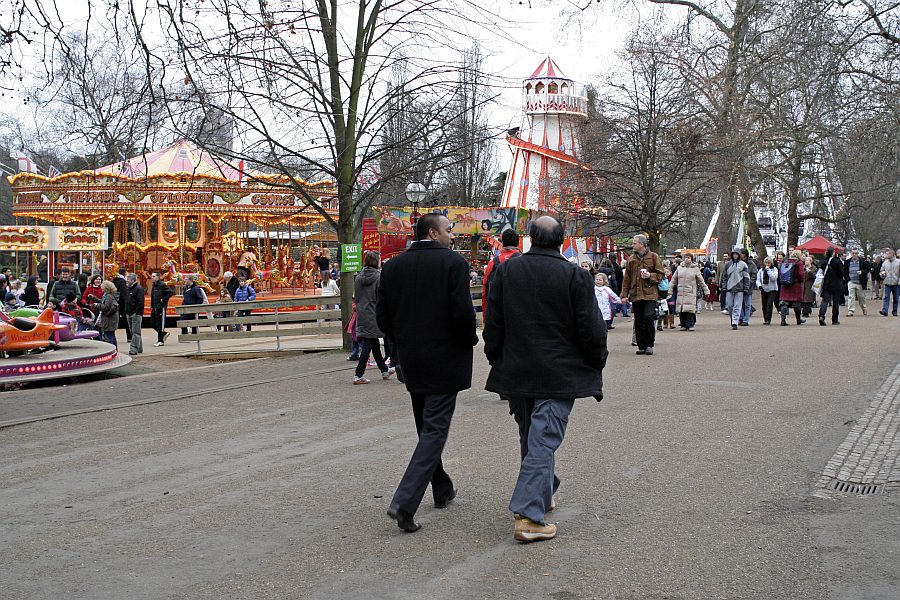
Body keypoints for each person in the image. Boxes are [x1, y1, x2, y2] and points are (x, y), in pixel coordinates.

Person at [483, 216, 607, 543]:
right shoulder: (575, 276)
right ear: (561, 241)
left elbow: (494, 322)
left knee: (533, 434)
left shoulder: (506, 272)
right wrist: (596, 362)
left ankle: (542, 492)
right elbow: (591, 328)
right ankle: (529, 514)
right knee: (543, 436)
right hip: (559, 371)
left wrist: (495, 357)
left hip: (519, 367)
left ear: (530, 238)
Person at [376, 213, 477, 533]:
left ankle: (442, 486)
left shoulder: (392, 267)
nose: (453, 235)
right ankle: (405, 501)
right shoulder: (453, 264)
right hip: (445, 358)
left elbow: (383, 317)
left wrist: (401, 343)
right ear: (433, 233)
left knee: (426, 427)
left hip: (411, 358)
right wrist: (469, 339)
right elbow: (463, 312)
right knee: (433, 430)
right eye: (449, 230)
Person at [352, 251, 395, 384]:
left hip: (362, 312)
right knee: (369, 343)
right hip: (374, 312)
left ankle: (384, 370)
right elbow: (382, 296)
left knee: (373, 341)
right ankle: (358, 374)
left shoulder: (358, 277)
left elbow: (357, 296)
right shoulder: (379, 277)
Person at [620, 234, 664, 355]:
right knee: (638, 320)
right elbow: (626, 279)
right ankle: (642, 345)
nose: (632, 245)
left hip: (650, 294)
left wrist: (650, 276)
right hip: (636, 294)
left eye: (634, 243)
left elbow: (661, 275)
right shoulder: (631, 259)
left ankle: (649, 344)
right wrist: (624, 295)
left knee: (648, 317)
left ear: (642, 244)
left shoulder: (653, 257)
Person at [481, 229, 521, 319]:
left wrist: (486, 316)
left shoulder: (493, 263)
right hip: (519, 316)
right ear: (518, 243)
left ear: (502, 243)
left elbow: (485, 290)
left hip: (498, 316)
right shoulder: (525, 262)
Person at [668, 252, 709, 331]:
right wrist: (670, 290)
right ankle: (683, 324)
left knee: (690, 309)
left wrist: (706, 290)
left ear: (691, 259)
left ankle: (690, 324)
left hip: (691, 292)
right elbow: (673, 280)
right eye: (686, 257)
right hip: (681, 292)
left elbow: (701, 281)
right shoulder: (679, 268)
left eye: (689, 257)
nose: (687, 259)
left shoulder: (695, 269)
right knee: (682, 309)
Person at [722, 246, 750, 330]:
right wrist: (724, 286)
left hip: (739, 288)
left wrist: (746, 288)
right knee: (730, 305)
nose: (735, 256)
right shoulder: (728, 265)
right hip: (729, 288)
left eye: (736, 254)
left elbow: (746, 277)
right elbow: (724, 277)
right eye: (733, 254)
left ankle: (735, 322)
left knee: (737, 306)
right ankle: (733, 319)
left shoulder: (743, 264)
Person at [778, 250, 807, 326]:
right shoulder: (799, 263)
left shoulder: (785, 261)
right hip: (795, 285)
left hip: (785, 285)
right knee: (797, 303)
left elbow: (781, 272)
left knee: (784, 303)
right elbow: (801, 274)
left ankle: (783, 320)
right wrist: (801, 280)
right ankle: (798, 319)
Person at [818, 247, 844, 326]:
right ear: (833, 253)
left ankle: (821, 316)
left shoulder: (824, 262)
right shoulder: (837, 261)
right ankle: (834, 320)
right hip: (836, 284)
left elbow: (820, 273)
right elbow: (841, 273)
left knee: (825, 301)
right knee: (836, 302)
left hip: (826, 284)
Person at [844, 248, 871, 317]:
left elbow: (868, 269)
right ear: (851, 254)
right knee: (851, 296)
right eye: (853, 253)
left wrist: (862, 272)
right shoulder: (848, 262)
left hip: (860, 282)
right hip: (851, 281)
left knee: (861, 297)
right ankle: (851, 311)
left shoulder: (863, 261)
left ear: (857, 254)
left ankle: (864, 307)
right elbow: (845, 271)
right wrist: (847, 279)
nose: (854, 255)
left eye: (856, 253)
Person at [150, 272, 173, 347]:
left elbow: (170, 292)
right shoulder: (154, 285)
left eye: (154, 276)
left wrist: (163, 300)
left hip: (160, 307)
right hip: (155, 306)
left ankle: (160, 340)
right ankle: (164, 333)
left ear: (158, 277)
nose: (152, 277)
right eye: (152, 276)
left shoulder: (162, 285)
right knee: (152, 323)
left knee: (159, 323)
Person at [125, 273, 145, 355]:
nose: (127, 281)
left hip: (135, 313)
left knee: (135, 332)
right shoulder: (129, 288)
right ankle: (139, 348)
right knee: (134, 331)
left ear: (132, 280)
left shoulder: (138, 289)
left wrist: (136, 312)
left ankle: (134, 349)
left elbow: (140, 302)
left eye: (128, 279)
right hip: (130, 312)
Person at [756, 256, 779, 325]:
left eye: (768, 263)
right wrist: (759, 286)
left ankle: (768, 319)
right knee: (764, 305)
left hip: (773, 289)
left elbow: (774, 278)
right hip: (764, 289)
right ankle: (765, 318)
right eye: (766, 263)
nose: (767, 264)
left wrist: (768, 270)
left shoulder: (774, 269)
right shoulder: (761, 270)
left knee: (769, 304)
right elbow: (758, 279)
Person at [97, 280, 119, 348]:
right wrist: (95, 299)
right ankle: (115, 350)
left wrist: (97, 305)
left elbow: (106, 307)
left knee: (109, 336)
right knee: (112, 335)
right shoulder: (110, 295)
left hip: (109, 319)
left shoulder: (108, 296)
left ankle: (113, 350)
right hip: (112, 319)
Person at [739, 250, 758, 326]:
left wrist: (749, 283)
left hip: (748, 287)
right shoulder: (737, 263)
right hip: (739, 286)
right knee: (739, 303)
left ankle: (745, 320)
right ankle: (741, 318)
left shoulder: (751, 264)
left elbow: (754, 275)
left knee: (747, 304)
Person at [879, 248, 899, 317]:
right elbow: (881, 271)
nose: (886, 255)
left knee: (896, 298)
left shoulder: (898, 262)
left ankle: (894, 311)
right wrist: (882, 274)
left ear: (892, 254)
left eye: (888, 254)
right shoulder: (885, 263)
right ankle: (885, 310)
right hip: (887, 282)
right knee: (886, 297)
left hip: (896, 283)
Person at [113, 268, 131, 342]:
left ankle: (112, 336)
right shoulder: (123, 281)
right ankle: (129, 336)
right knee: (126, 321)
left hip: (115, 303)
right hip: (122, 304)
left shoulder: (114, 280)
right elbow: (123, 294)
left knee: (114, 320)